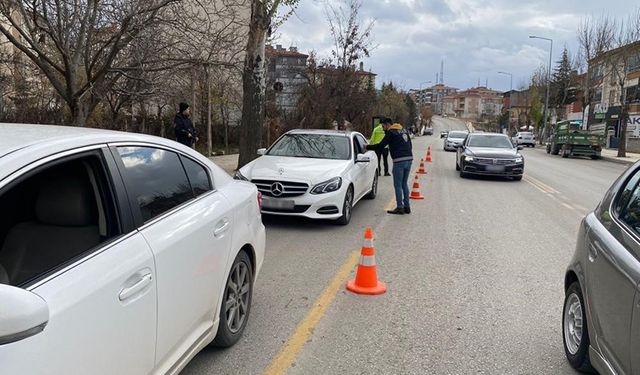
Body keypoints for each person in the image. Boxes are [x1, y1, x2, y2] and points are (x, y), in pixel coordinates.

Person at [366, 118, 413, 215]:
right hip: (409, 159)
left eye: (383, 126)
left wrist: (367, 147)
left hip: (399, 161)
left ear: (387, 124)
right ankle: (407, 207)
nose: (383, 129)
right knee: (404, 184)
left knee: (398, 185)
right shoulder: (403, 130)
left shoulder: (391, 132)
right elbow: (410, 145)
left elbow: (381, 145)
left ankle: (400, 207)